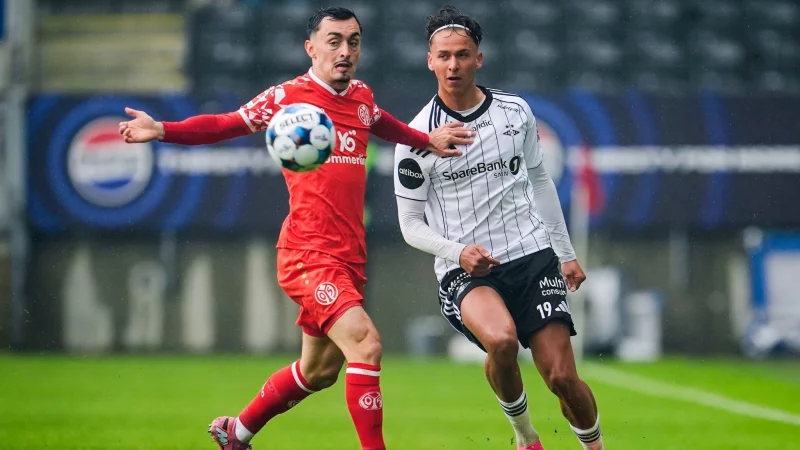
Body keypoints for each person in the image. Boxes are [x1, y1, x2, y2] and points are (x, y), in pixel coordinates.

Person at [119, 7, 473, 450]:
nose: (345, 51)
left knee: (319, 371)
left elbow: (378, 121)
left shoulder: (361, 95)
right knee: (365, 344)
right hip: (308, 253)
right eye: (334, 41)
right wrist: (163, 129)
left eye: (354, 41)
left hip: (348, 255)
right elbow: (225, 123)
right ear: (312, 48)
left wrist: (426, 140)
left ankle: (237, 432)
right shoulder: (288, 98)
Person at [393, 5, 604, 450]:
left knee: (563, 377)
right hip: (467, 271)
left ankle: (595, 445)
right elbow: (410, 226)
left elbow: (540, 180)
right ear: (429, 60)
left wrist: (565, 253)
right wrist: (457, 252)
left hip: (532, 257)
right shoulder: (415, 139)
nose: (454, 65)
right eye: (444, 56)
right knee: (503, 341)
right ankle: (526, 437)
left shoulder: (515, 112)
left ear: (479, 59)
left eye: (463, 55)